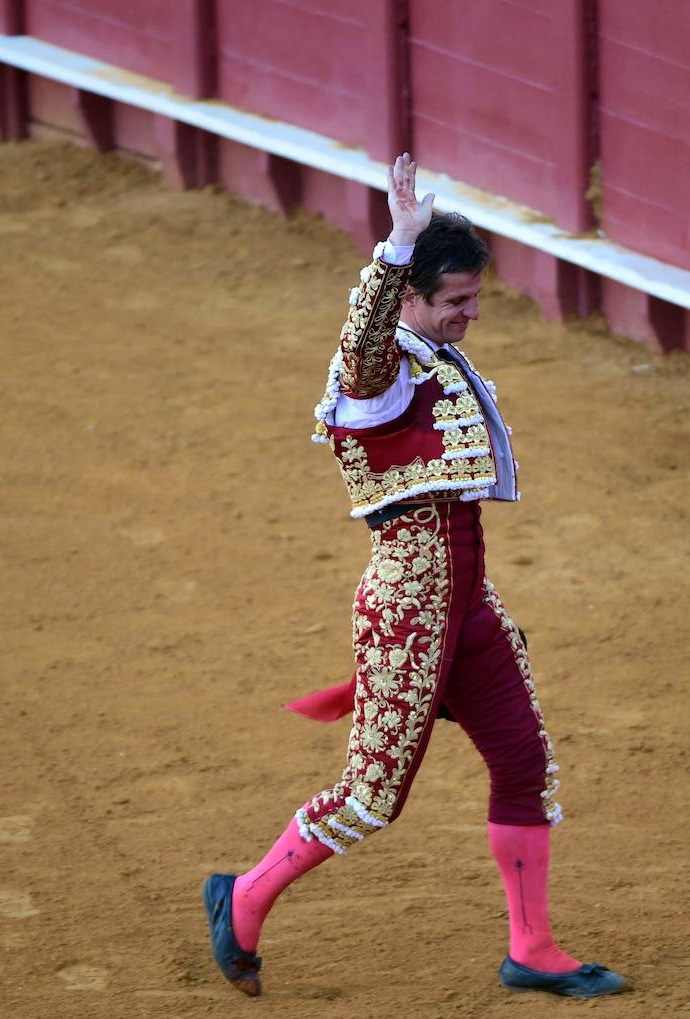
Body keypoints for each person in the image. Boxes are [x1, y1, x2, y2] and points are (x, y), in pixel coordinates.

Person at [201, 154, 626, 1000]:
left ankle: (532, 947)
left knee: (523, 760)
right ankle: (242, 896)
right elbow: (360, 341)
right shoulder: (380, 368)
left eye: (475, 299)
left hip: (465, 599)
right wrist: (394, 245)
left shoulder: (431, 355)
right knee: (371, 796)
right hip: (406, 604)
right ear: (412, 296)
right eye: (456, 301)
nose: (470, 315)